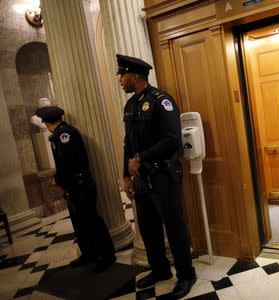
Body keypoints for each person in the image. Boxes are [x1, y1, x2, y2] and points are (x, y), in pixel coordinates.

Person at [116, 54, 196, 298]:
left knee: (173, 227)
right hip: (141, 178)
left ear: (136, 75)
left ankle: (186, 275)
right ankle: (161, 270)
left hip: (163, 174)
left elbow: (173, 139)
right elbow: (127, 143)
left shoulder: (162, 100)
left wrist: (140, 157)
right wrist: (126, 175)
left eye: (123, 74)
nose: (120, 79)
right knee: (148, 228)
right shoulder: (130, 105)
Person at [35, 106, 116, 272]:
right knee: (79, 222)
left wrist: (57, 178)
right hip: (73, 186)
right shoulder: (59, 134)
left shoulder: (65, 135)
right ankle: (89, 253)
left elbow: (69, 163)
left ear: (46, 122)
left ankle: (107, 255)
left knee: (91, 220)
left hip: (80, 186)